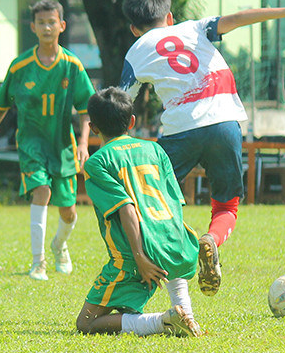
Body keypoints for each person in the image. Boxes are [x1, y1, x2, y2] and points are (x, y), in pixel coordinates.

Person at [120, 0, 285, 297]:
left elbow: (120, 104)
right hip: (225, 122)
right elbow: (241, 16)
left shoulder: (136, 52)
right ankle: (211, 240)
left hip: (180, 129)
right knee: (227, 204)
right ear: (170, 17)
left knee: (156, 200)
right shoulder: (195, 28)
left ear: (134, 28)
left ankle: (163, 261)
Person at [0, 0, 95, 281]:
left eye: (52, 22)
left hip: (62, 146)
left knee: (69, 212)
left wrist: (84, 143)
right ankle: (39, 263)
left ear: (61, 26)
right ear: (33, 27)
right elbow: (0, 106)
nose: (47, 27)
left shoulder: (72, 66)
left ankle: (59, 245)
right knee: (42, 192)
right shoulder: (20, 66)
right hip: (31, 145)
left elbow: (86, 109)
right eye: (41, 23)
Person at [75, 87, 202, 338]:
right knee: (123, 306)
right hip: (177, 244)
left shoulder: (97, 163)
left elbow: (126, 208)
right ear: (132, 121)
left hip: (134, 258)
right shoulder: (155, 150)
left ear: (94, 127)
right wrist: (170, 242)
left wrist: (141, 256)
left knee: (86, 323)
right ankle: (184, 311)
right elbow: (175, 201)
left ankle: (162, 321)